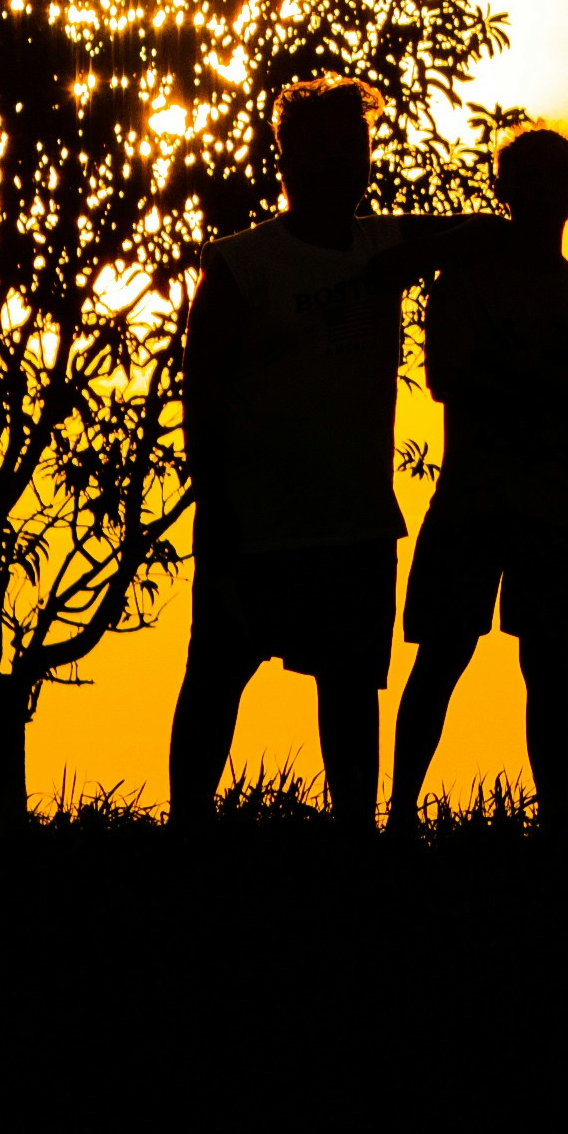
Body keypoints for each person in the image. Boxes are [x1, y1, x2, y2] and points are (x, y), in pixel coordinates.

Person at [171, 76, 493, 827]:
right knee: (214, 682)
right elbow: (202, 403)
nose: (349, 163)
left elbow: (487, 229)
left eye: (358, 147)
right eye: (330, 149)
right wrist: (217, 522)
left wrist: (399, 263)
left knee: (351, 696)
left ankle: (358, 838)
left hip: (355, 523)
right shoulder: (241, 263)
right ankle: (186, 827)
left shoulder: (385, 240)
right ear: (288, 157)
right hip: (254, 526)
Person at [385, 126, 568, 837]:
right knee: (442, 658)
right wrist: (558, 376)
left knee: (548, 669)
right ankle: (400, 808)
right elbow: (451, 379)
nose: (541, 194)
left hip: (548, 504)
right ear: (504, 189)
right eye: (528, 179)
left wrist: (514, 369)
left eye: (554, 181)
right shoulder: (464, 288)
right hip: (476, 499)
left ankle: (552, 816)